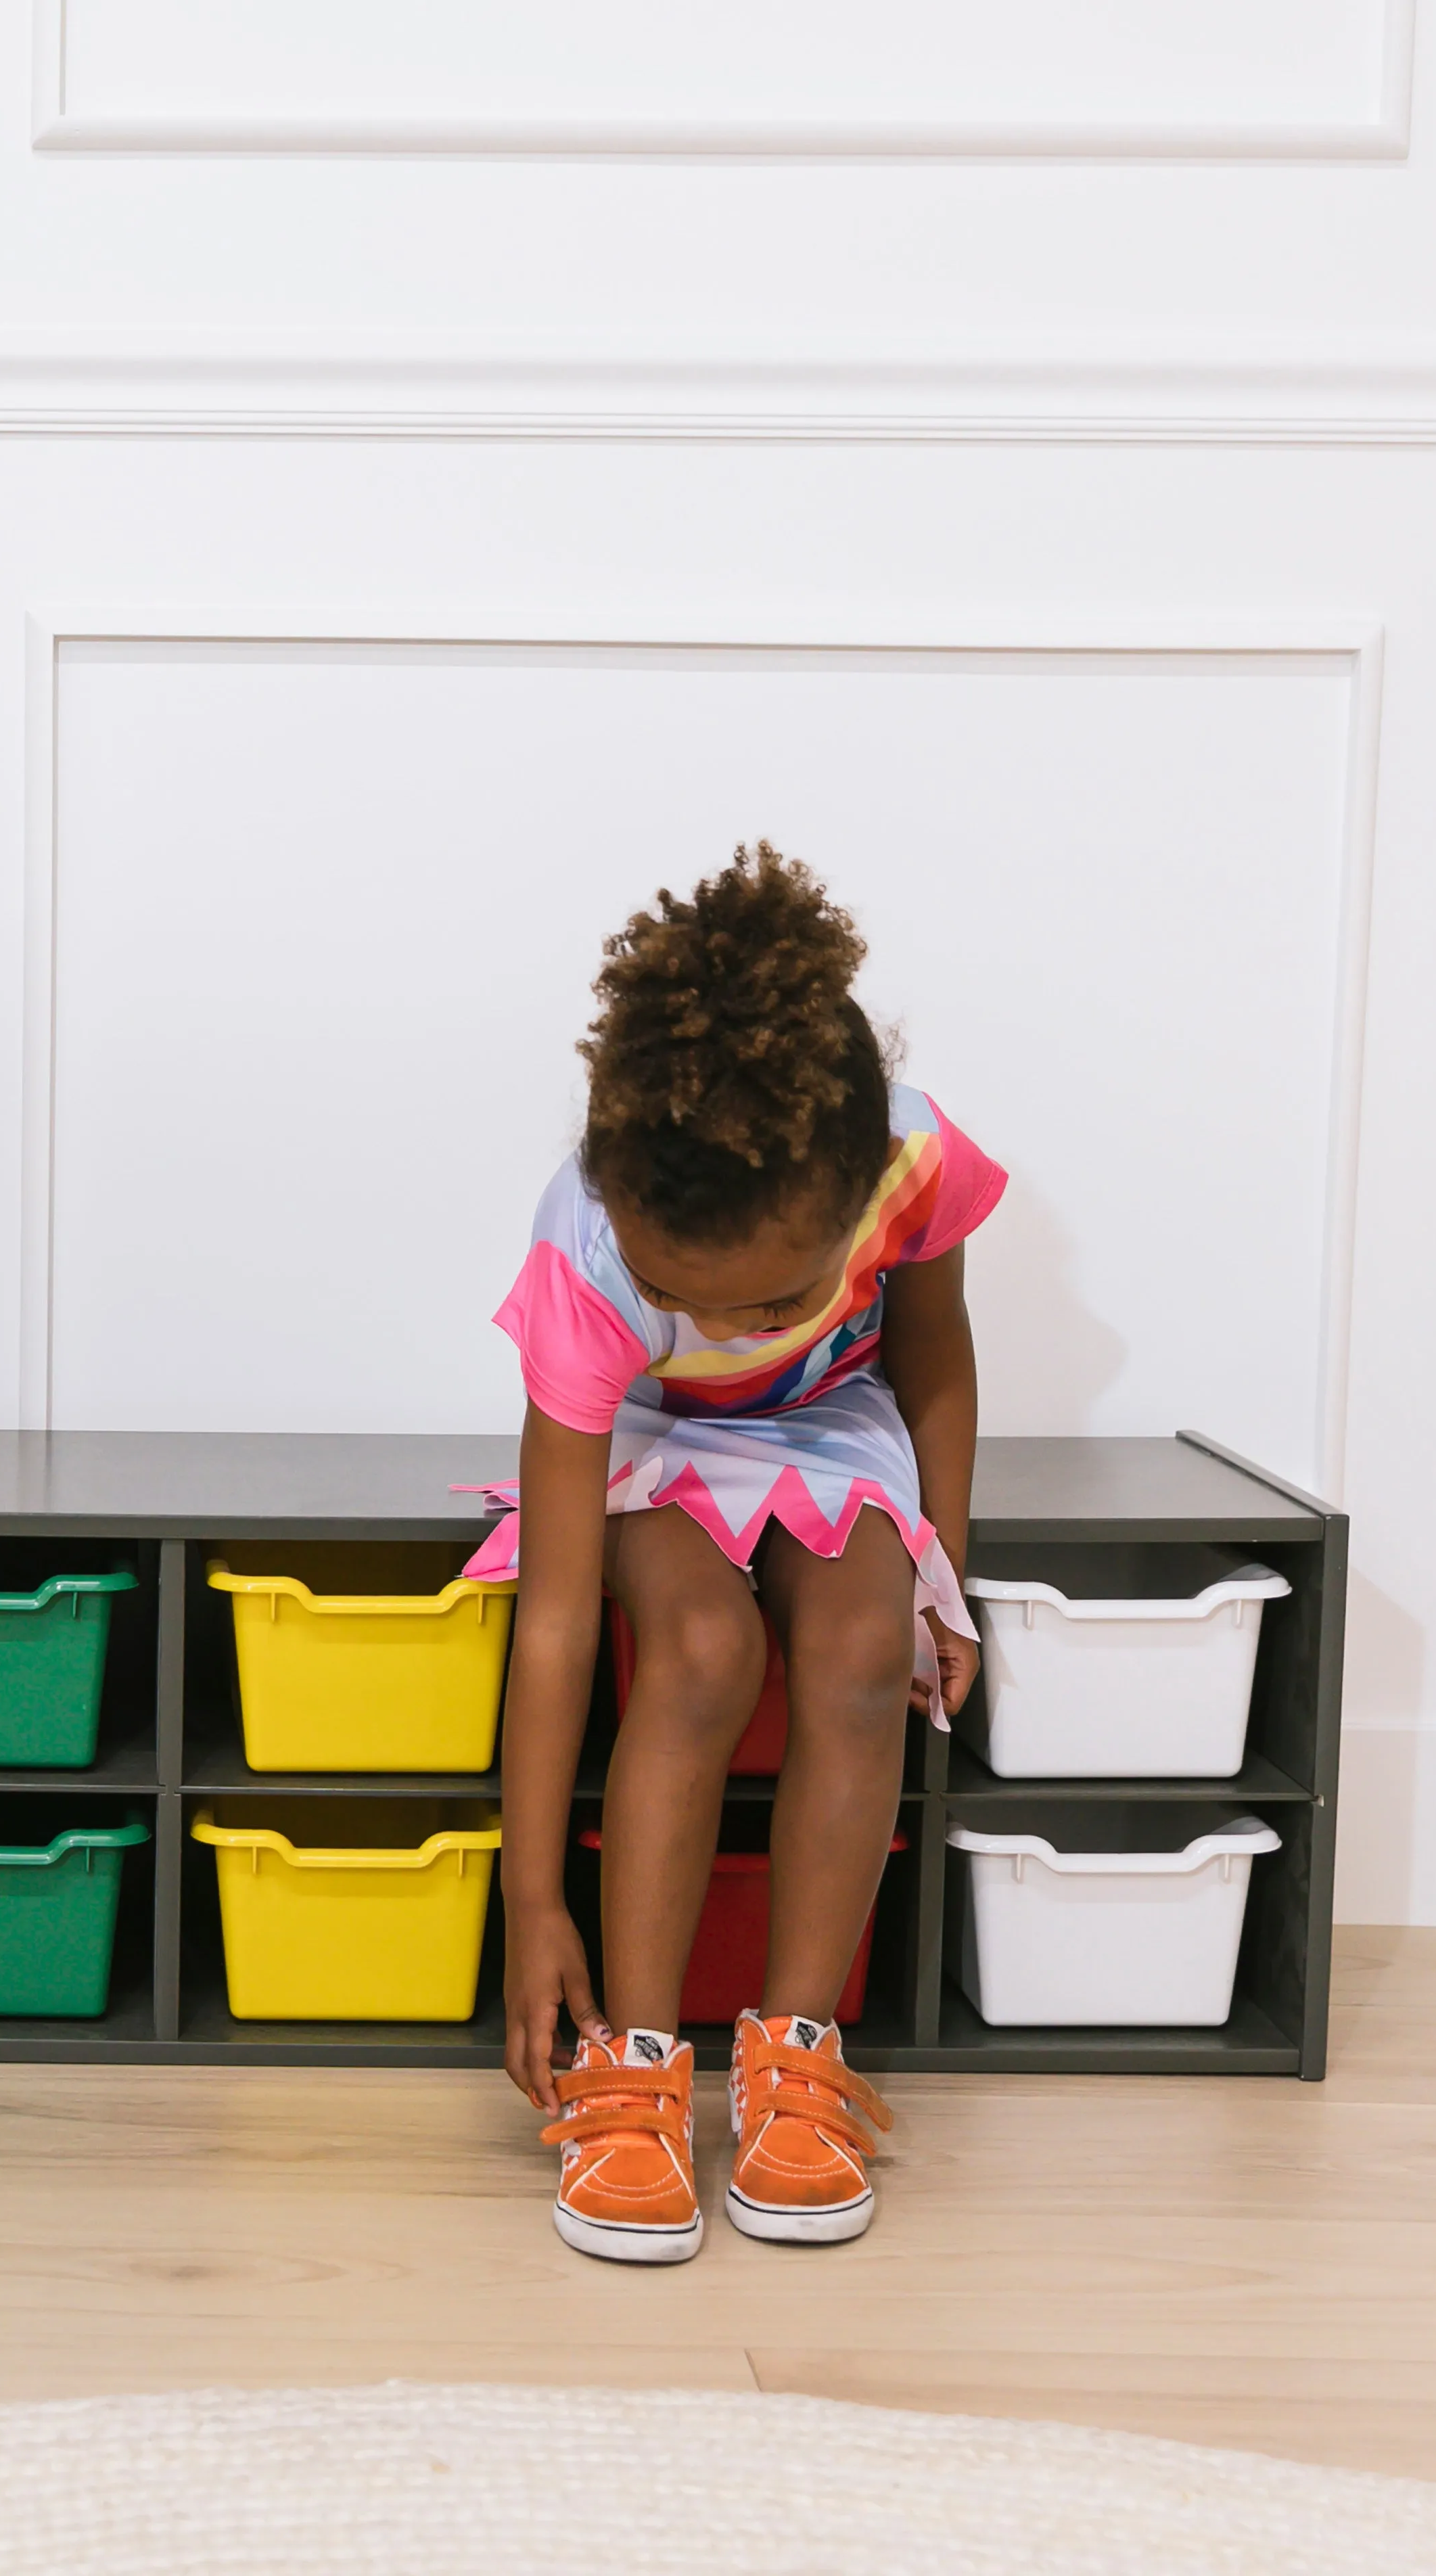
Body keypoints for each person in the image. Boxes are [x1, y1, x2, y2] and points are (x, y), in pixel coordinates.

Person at [486, 843, 1002, 2261]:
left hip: (830, 1417)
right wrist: (531, 1901)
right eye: (678, 1291)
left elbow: (931, 1355)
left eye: (769, 1292)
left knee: (853, 1642)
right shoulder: (588, 1249)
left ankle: (793, 2058)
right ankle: (636, 2065)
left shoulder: (905, 1161)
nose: (717, 1316)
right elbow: (554, 1618)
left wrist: (940, 1568)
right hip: (649, 1437)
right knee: (701, 1647)